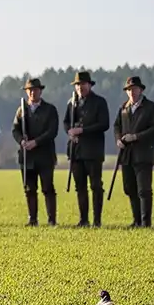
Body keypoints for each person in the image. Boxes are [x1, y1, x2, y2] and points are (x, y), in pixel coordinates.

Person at [112, 76, 154, 228]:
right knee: (129, 189)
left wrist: (136, 137)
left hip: (143, 155)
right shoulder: (123, 108)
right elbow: (116, 126)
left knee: (144, 190)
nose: (132, 92)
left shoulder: (151, 107)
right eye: (129, 90)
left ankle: (146, 223)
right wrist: (118, 139)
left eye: (134, 89)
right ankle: (136, 221)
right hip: (127, 155)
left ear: (141, 90)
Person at [63, 71, 110, 227]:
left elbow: (104, 124)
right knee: (80, 187)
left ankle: (97, 220)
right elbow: (66, 123)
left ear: (89, 85)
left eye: (83, 84)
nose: (80, 87)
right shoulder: (72, 103)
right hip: (76, 151)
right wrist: (70, 132)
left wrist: (82, 131)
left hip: (93, 151)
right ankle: (83, 219)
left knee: (96, 186)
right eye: (77, 85)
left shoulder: (99, 102)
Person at [12, 78, 60, 226]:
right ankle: (32, 219)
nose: (33, 92)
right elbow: (15, 130)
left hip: (45, 156)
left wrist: (36, 142)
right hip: (27, 157)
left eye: (35, 90)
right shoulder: (21, 110)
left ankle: (52, 220)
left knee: (48, 188)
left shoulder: (50, 109)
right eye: (30, 90)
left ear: (41, 91)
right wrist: (22, 141)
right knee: (29, 189)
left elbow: (52, 131)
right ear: (26, 92)